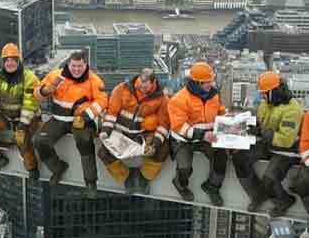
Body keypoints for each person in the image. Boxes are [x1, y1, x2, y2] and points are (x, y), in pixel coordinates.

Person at [33, 51, 108, 198]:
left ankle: (90, 182)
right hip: (58, 119)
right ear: (69, 64)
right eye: (74, 66)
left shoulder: (93, 80)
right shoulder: (56, 76)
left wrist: (87, 116)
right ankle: (57, 168)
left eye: (80, 66)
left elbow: (102, 101)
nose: (77, 69)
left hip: (80, 121)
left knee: (85, 141)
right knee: (39, 141)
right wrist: (44, 90)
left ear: (85, 65)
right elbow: (37, 93)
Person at [235, 71, 302, 217]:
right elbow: (262, 122)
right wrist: (252, 126)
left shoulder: (293, 109)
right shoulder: (267, 104)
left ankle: (284, 200)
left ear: (274, 92)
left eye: (265, 93)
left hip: (286, 151)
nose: (262, 96)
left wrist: (261, 133)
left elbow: (286, 140)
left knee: (269, 180)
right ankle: (258, 195)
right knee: (240, 159)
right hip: (269, 143)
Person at [98, 69, 170, 194]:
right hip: (120, 132)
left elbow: (164, 125)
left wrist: (155, 144)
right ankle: (127, 177)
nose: (142, 88)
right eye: (140, 84)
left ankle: (144, 178)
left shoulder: (162, 99)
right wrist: (105, 131)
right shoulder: (121, 89)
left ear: (153, 83)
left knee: (162, 150)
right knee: (103, 153)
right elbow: (111, 114)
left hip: (142, 135)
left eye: (145, 86)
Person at [0, 43, 41, 179]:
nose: (10, 63)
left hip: (29, 118)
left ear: (18, 61)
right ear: (3, 62)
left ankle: (32, 167)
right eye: (7, 60)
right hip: (6, 116)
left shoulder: (29, 78)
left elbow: (30, 103)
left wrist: (22, 124)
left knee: (22, 138)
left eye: (13, 60)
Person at [168, 62, 227, 206]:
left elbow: (220, 111)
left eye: (211, 80)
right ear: (197, 82)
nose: (211, 83)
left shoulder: (213, 95)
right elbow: (179, 127)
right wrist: (202, 135)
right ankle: (180, 184)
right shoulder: (179, 100)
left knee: (221, 157)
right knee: (184, 168)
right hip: (183, 139)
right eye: (207, 82)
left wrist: (229, 120)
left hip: (205, 137)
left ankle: (212, 187)